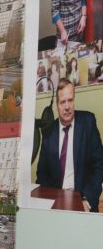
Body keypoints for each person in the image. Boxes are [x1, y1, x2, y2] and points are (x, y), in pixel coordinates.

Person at [35, 78, 103, 212]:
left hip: (83, 201)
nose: (67, 107)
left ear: (74, 100)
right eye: (62, 102)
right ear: (57, 105)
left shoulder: (88, 122)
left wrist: (87, 201)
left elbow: (99, 167)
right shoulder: (49, 133)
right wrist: (53, 201)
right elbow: (42, 174)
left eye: (70, 100)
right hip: (57, 203)